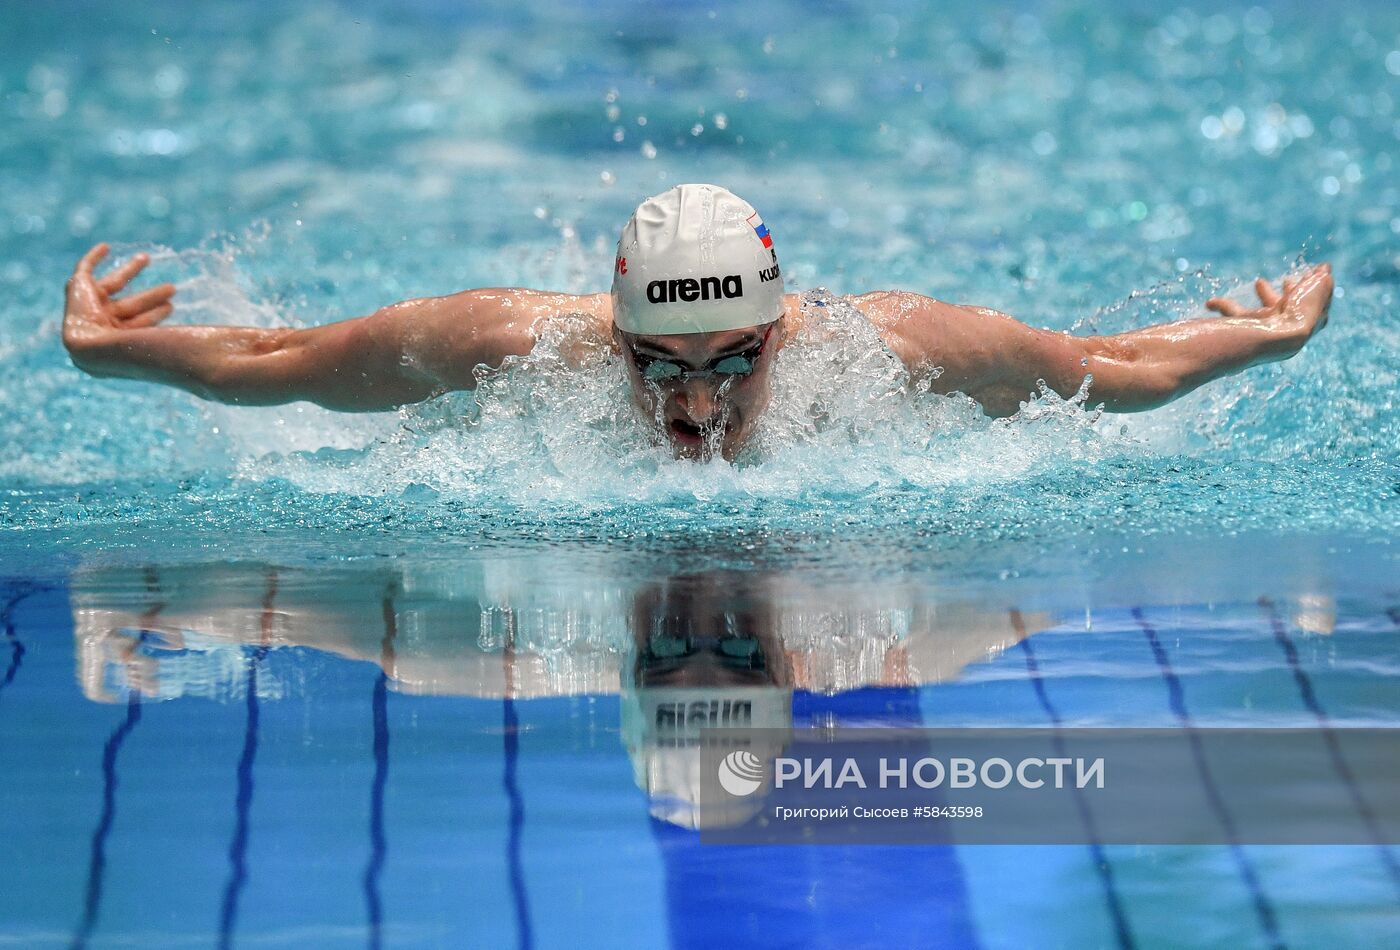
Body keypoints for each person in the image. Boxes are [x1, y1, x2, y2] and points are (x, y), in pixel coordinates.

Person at [61, 183, 1334, 461]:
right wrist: (111, 353)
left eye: (733, 359)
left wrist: (1263, 339)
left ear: (786, 330)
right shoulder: (509, 345)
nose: (691, 405)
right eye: (653, 362)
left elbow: (1110, 370)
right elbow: (272, 365)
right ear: (604, 331)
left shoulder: (889, 353)